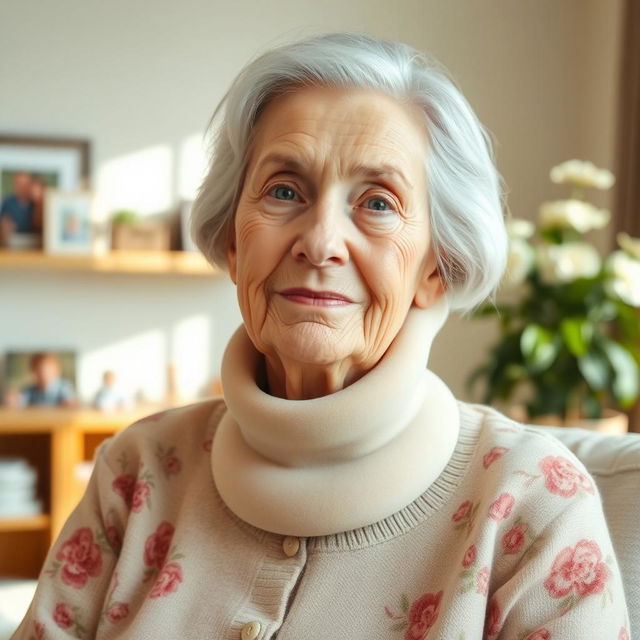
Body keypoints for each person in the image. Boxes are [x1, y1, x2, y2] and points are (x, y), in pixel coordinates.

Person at [13, 33, 629, 639]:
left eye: (378, 202)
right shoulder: (139, 470)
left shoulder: (534, 502)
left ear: (436, 267)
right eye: (284, 190)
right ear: (233, 242)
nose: (322, 241)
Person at [4, 352, 77, 408]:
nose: (44, 375)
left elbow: (70, 402)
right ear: (33, 372)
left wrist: (70, 403)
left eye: (48, 371)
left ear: (57, 371)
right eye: (40, 371)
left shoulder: (64, 387)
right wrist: (14, 400)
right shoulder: (30, 389)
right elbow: (20, 400)